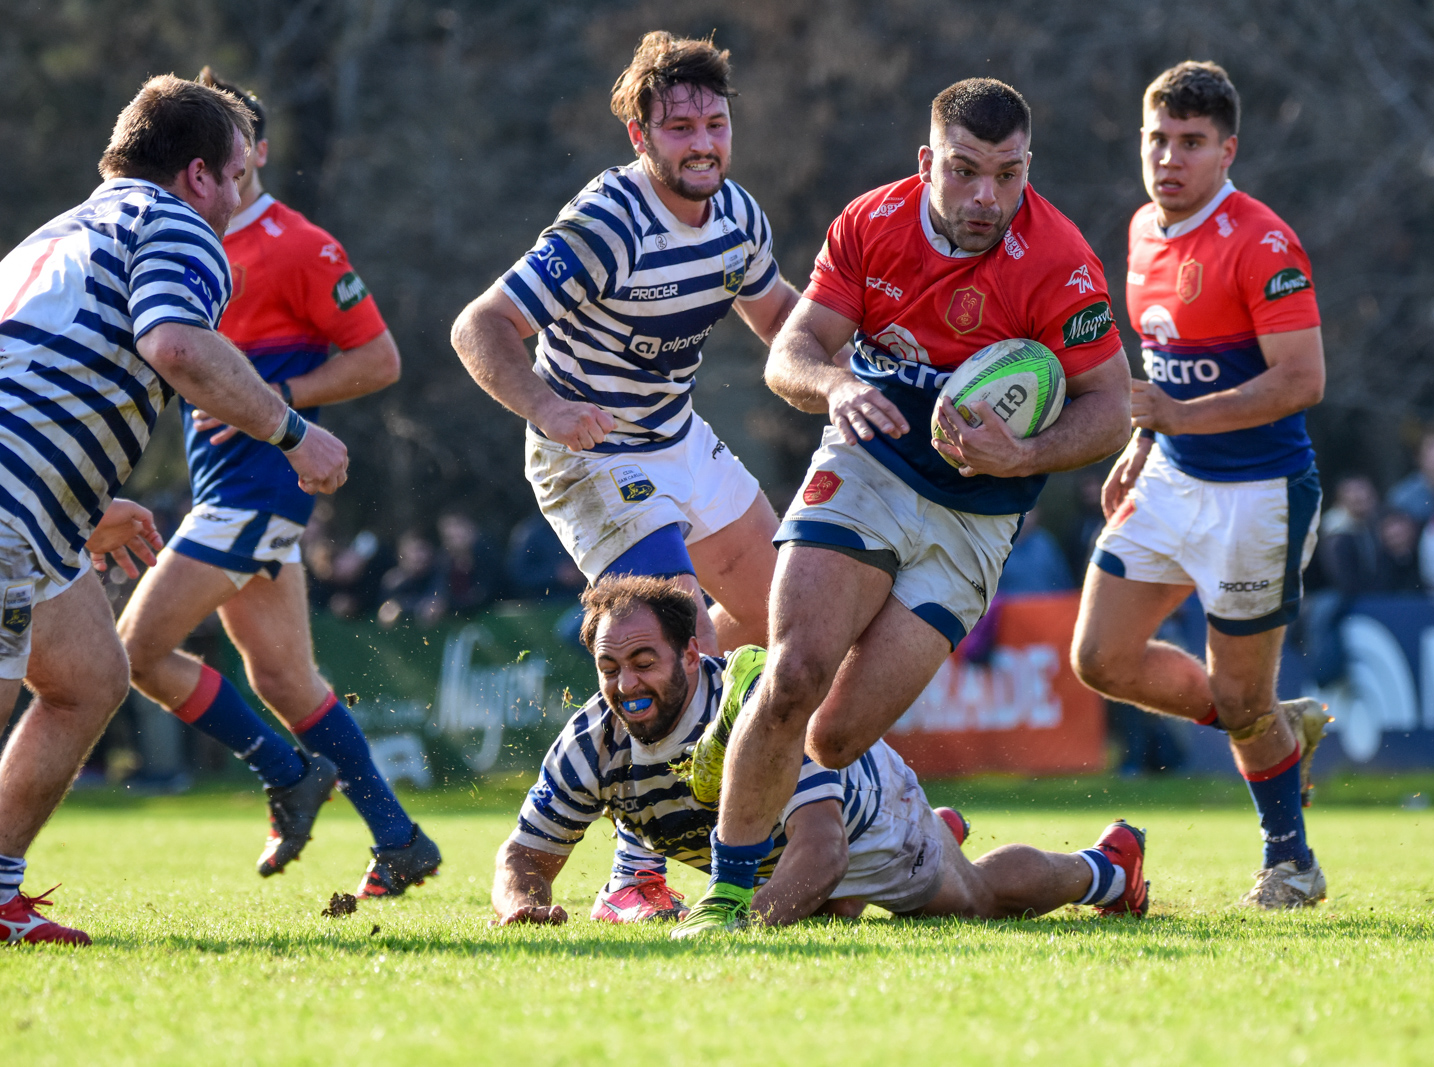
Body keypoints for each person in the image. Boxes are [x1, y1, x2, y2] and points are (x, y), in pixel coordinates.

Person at [672, 78, 1133, 938]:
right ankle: (728, 900)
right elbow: (794, 351)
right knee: (796, 675)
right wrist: (837, 383)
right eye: (964, 171)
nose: (987, 197)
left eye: (1007, 173)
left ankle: (776, 722)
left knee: (837, 736)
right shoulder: (872, 224)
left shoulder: (1059, 259)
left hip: (975, 517)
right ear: (928, 163)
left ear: (1028, 167)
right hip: (869, 464)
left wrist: (1025, 454)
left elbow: (1111, 405)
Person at [0, 75, 347, 944]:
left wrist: (82, 499)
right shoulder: (177, 225)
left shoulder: (60, 231)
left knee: (88, 677)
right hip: (9, 502)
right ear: (198, 174)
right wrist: (292, 433)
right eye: (235, 175)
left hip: (28, 499)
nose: (239, 197)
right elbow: (178, 344)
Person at [114, 71, 438, 899]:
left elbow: (381, 359)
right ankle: (398, 838)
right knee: (287, 681)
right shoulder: (180, 230)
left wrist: (281, 404)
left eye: (241, 141)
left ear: (254, 150)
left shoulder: (299, 245)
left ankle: (286, 769)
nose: (231, 160)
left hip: (260, 487)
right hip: (225, 485)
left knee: (136, 652)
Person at [490, 577, 1146, 928]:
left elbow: (825, 850)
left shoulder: (753, 707)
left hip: (862, 822)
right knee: (825, 916)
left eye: (643, 661)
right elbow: (525, 854)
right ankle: (940, 835)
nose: (626, 684)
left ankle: (1109, 868)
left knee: (974, 904)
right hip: (785, 856)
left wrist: (738, 922)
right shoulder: (589, 743)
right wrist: (521, 901)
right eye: (610, 666)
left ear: (691, 653)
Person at [1069, 62, 1331, 909]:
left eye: (1191, 143)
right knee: (1098, 657)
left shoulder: (1263, 241)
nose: (1170, 158)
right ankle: (1275, 729)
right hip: (1173, 479)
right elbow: (1165, 360)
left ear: (1228, 151)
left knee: (1241, 693)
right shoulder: (1144, 228)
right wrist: (1145, 440)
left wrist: (1180, 418)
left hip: (1260, 497)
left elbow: (1302, 380)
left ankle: (1290, 861)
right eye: (1158, 139)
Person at [451, 31, 802, 654]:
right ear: (640, 137)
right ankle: (636, 718)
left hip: (678, 438)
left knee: (791, 625)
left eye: (716, 124)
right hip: (594, 456)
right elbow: (478, 325)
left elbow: (781, 321)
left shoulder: (738, 216)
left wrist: (859, 369)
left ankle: (669, 722)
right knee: (678, 651)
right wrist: (547, 409)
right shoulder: (609, 224)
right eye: (680, 127)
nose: (703, 144)